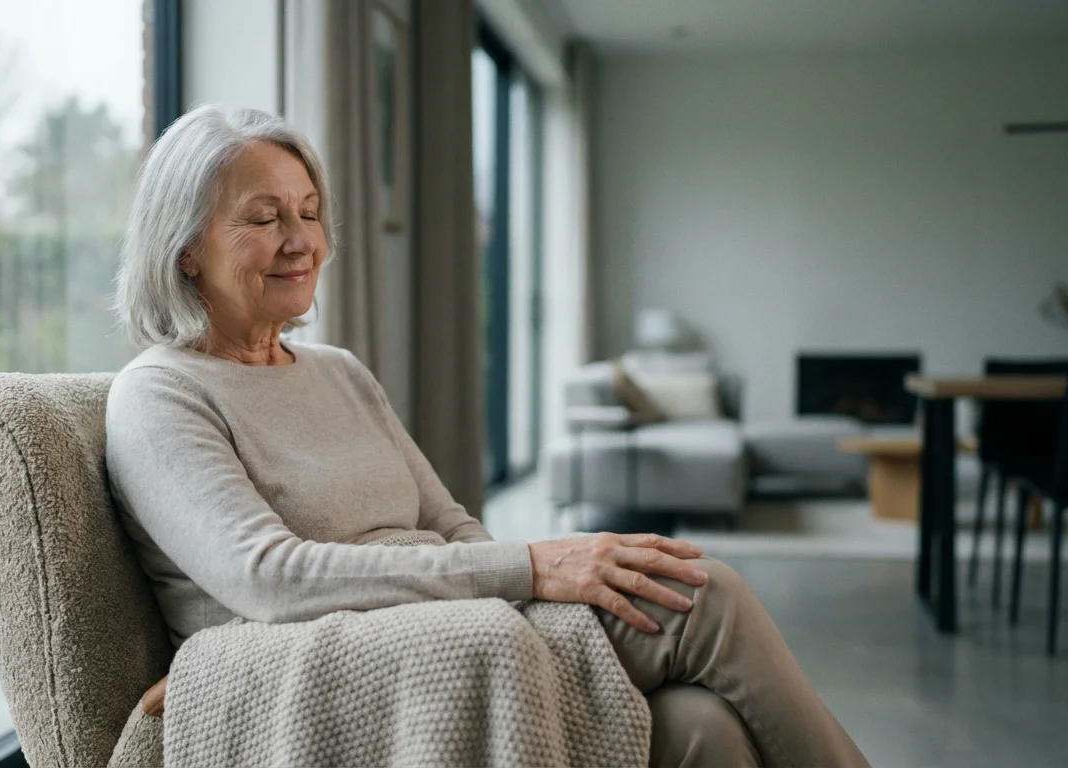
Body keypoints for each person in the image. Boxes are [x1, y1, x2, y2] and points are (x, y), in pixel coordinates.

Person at [106, 105, 869, 768]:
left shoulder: (337, 371)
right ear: (184, 250)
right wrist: (532, 569)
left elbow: (450, 525)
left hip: (444, 620)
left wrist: (515, 586)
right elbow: (268, 579)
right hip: (320, 656)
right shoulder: (161, 393)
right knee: (703, 596)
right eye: (265, 217)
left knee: (701, 727)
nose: (300, 239)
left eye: (308, 211)